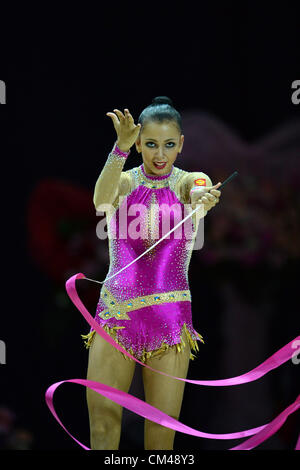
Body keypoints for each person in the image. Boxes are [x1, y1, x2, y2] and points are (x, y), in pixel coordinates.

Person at [81, 96, 222, 450]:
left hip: (169, 319)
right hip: (116, 314)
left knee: (160, 440)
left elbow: (200, 189)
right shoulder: (125, 182)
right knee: (102, 429)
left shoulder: (188, 181)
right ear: (139, 142)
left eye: (170, 145)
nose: (161, 155)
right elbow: (101, 201)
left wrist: (204, 199)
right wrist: (120, 149)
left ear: (181, 145)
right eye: (151, 144)